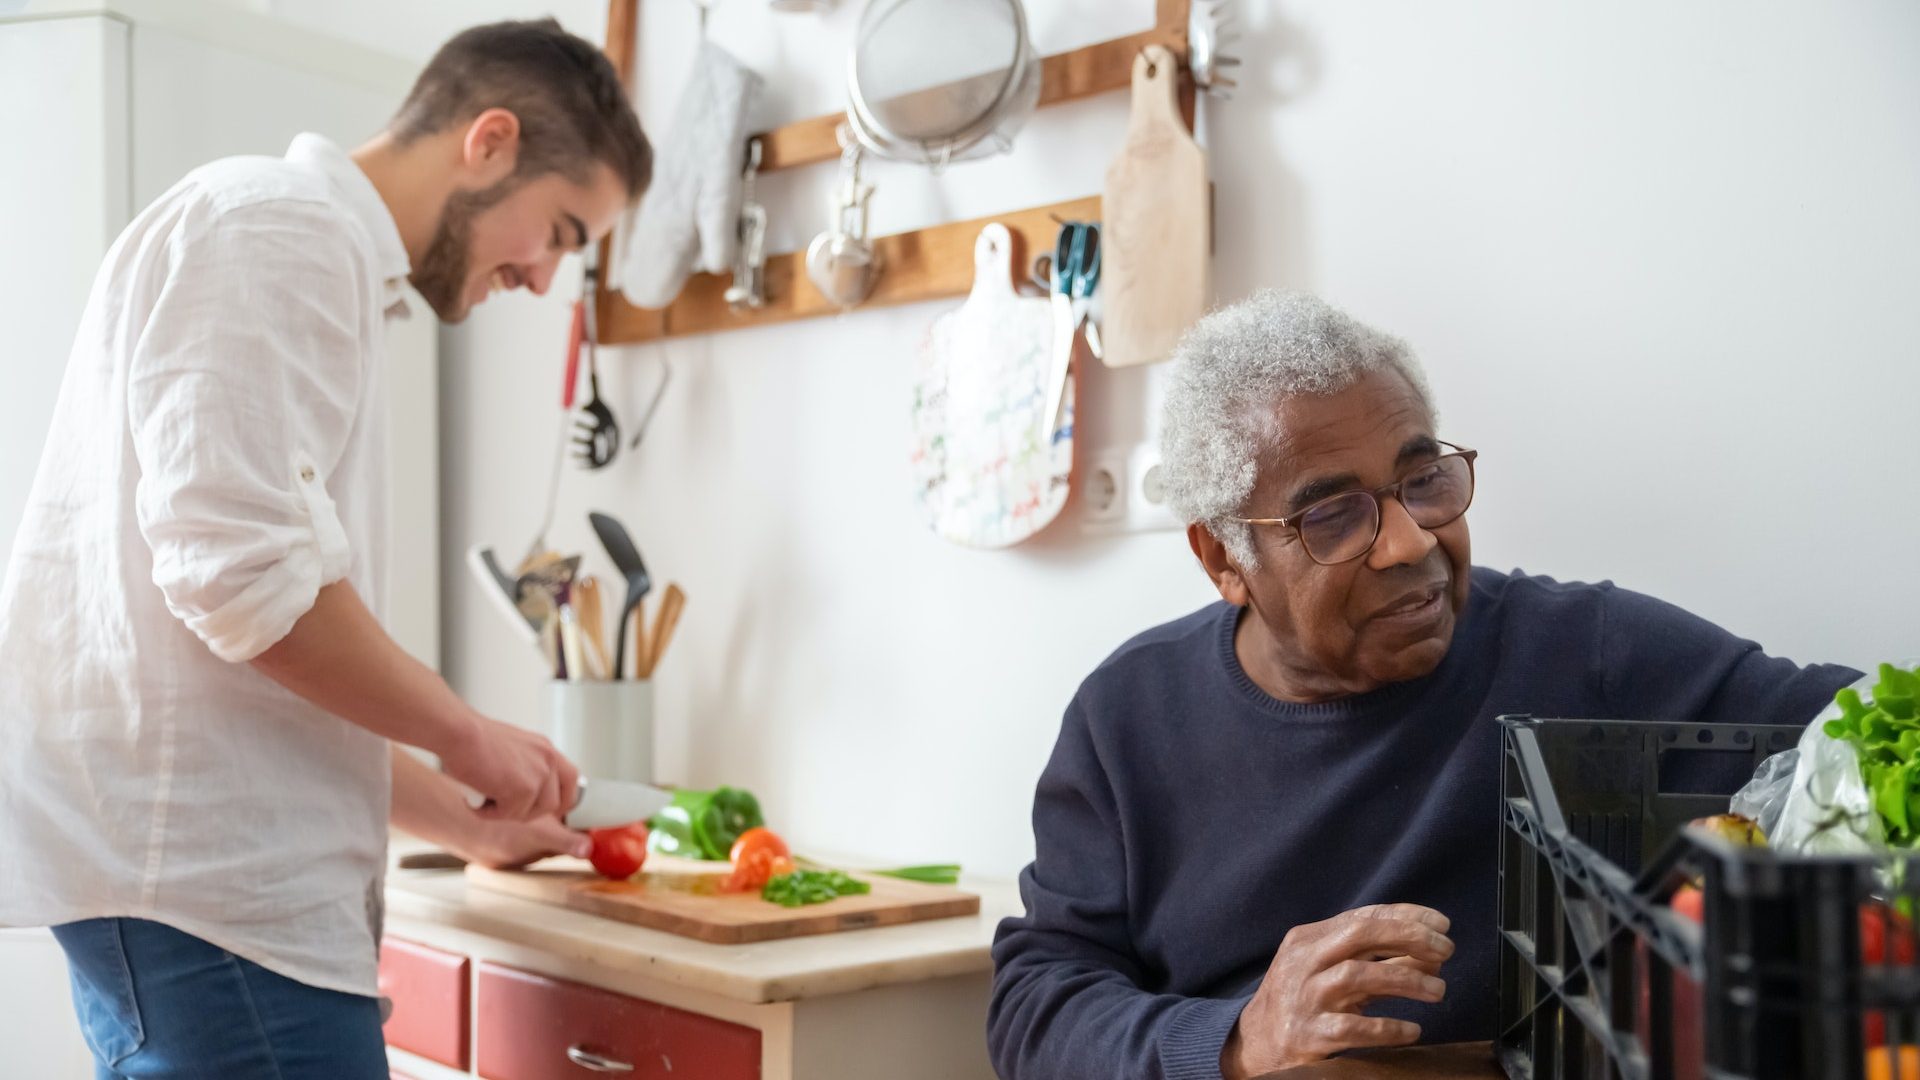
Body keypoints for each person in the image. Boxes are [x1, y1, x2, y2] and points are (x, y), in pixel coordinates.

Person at [0, 19, 651, 1079]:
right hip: (217, 906)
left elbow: (255, 656)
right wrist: (467, 734)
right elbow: (247, 586)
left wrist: (463, 820)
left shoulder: (307, 249)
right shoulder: (281, 233)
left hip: (204, 902)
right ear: (490, 142)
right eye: (564, 232)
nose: (543, 280)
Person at [986, 290, 1859, 1079]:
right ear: (1225, 558)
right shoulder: (1127, 719)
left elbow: (1859, 728)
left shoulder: (1584, 651)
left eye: (1423, 481)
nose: (1409, 543)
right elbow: (1039, 1001)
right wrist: (1240, 1040)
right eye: (1332, 514)